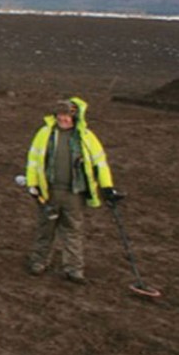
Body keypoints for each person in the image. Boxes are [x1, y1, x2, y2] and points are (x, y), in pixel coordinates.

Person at [24, 96, 119, 283]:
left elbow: (100, 163)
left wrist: (107, 187)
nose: (63, 118)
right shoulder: (44, 134)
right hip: (49, 191)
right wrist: (32, 183)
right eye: (60, 114)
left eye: (67, 115)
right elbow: (33, 160)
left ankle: (74, 269)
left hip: (75, 193)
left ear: (75, 116)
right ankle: (39, 261)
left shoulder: (86, 137)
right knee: (45, 229)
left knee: (73, 230)